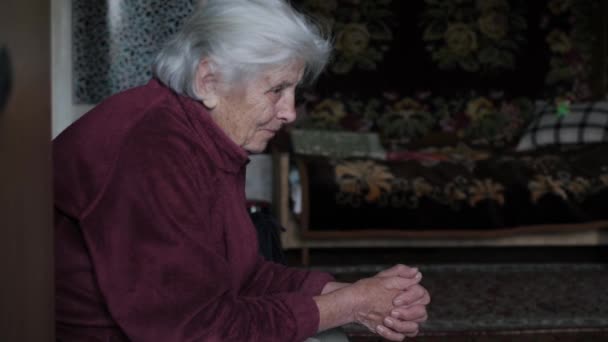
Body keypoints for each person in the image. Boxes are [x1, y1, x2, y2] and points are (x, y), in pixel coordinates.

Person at [53, 0, 430, 341]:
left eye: (294, 90)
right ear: (209, 80)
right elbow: (192, 331)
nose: (289, 112)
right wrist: (347, 305)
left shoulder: (200, 135)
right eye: (277, 89)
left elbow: (240, 275)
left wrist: (353, 295)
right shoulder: (152, 147)